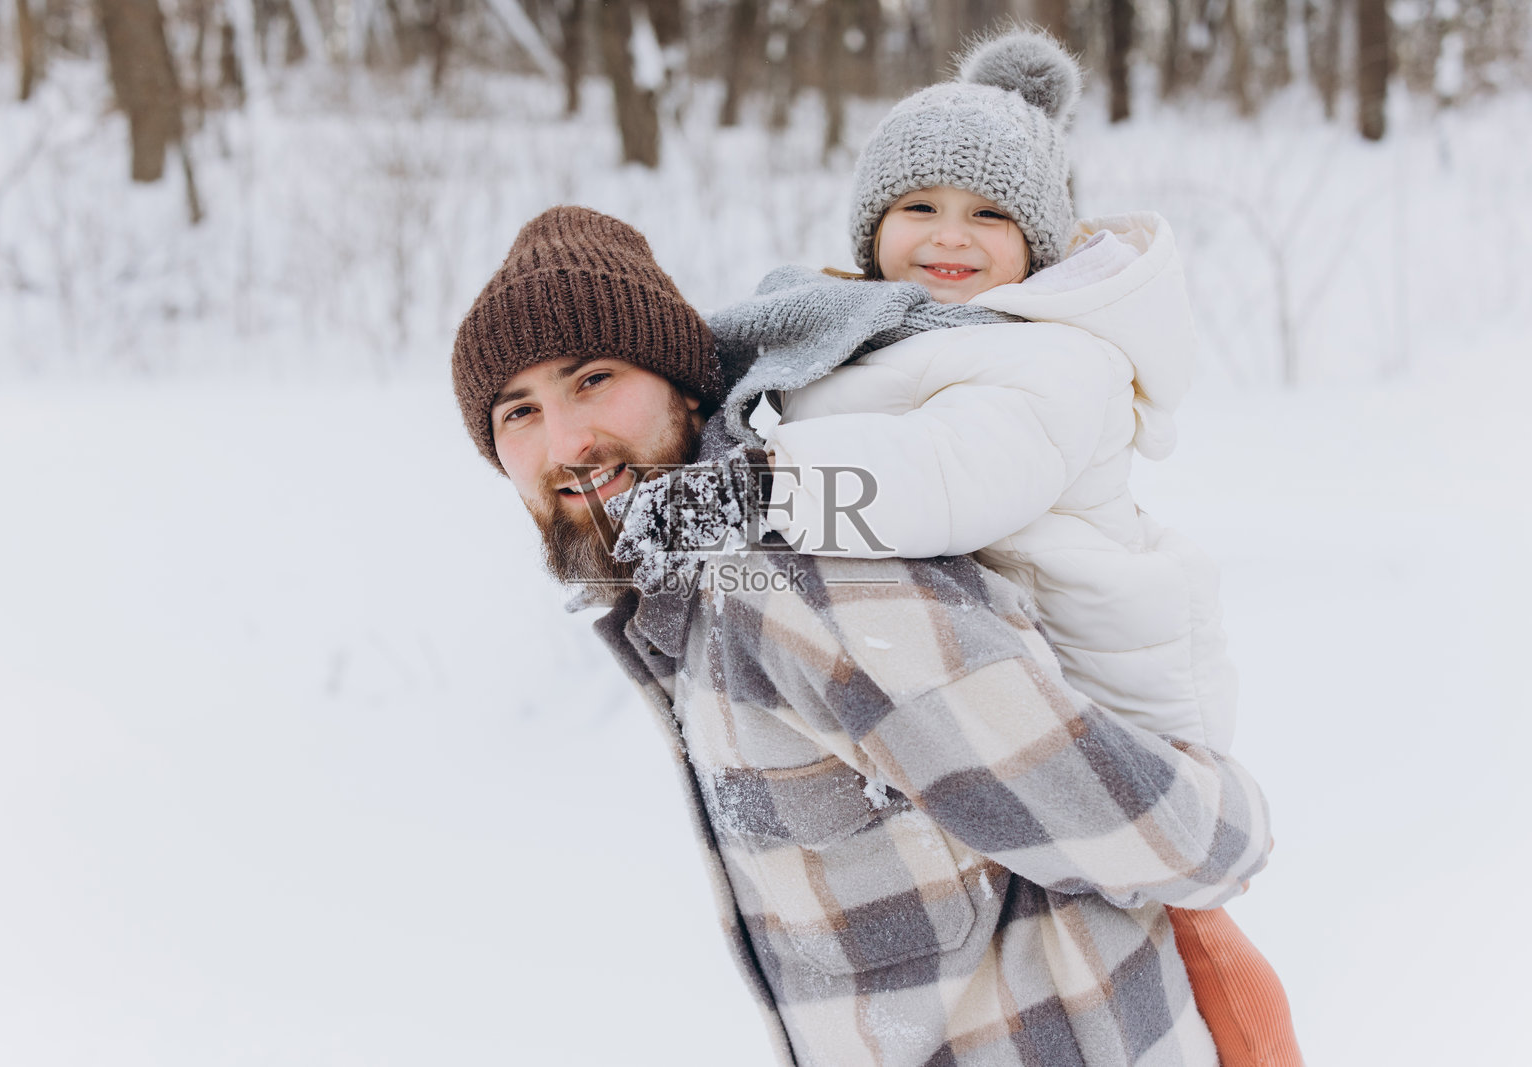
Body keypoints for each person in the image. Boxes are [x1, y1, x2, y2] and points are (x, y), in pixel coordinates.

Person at [450, 204, 1274, 1066]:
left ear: (684, 386)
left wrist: (1231, 819)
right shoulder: (688, 604)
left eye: (593, 381)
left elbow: (1174, 833)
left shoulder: (791, 586)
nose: (567, 442)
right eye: (520, 413)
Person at [696, 29, 1302, 1067]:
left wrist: (758, 487)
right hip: (1000, 675)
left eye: (988, 215)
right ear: (871, 223)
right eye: (918, 207)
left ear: (1039, 243)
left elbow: (942, 475)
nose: (950, 237)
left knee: (1162, 927)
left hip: (1115, 685)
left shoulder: (1050, 360)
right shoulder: (883, 330)